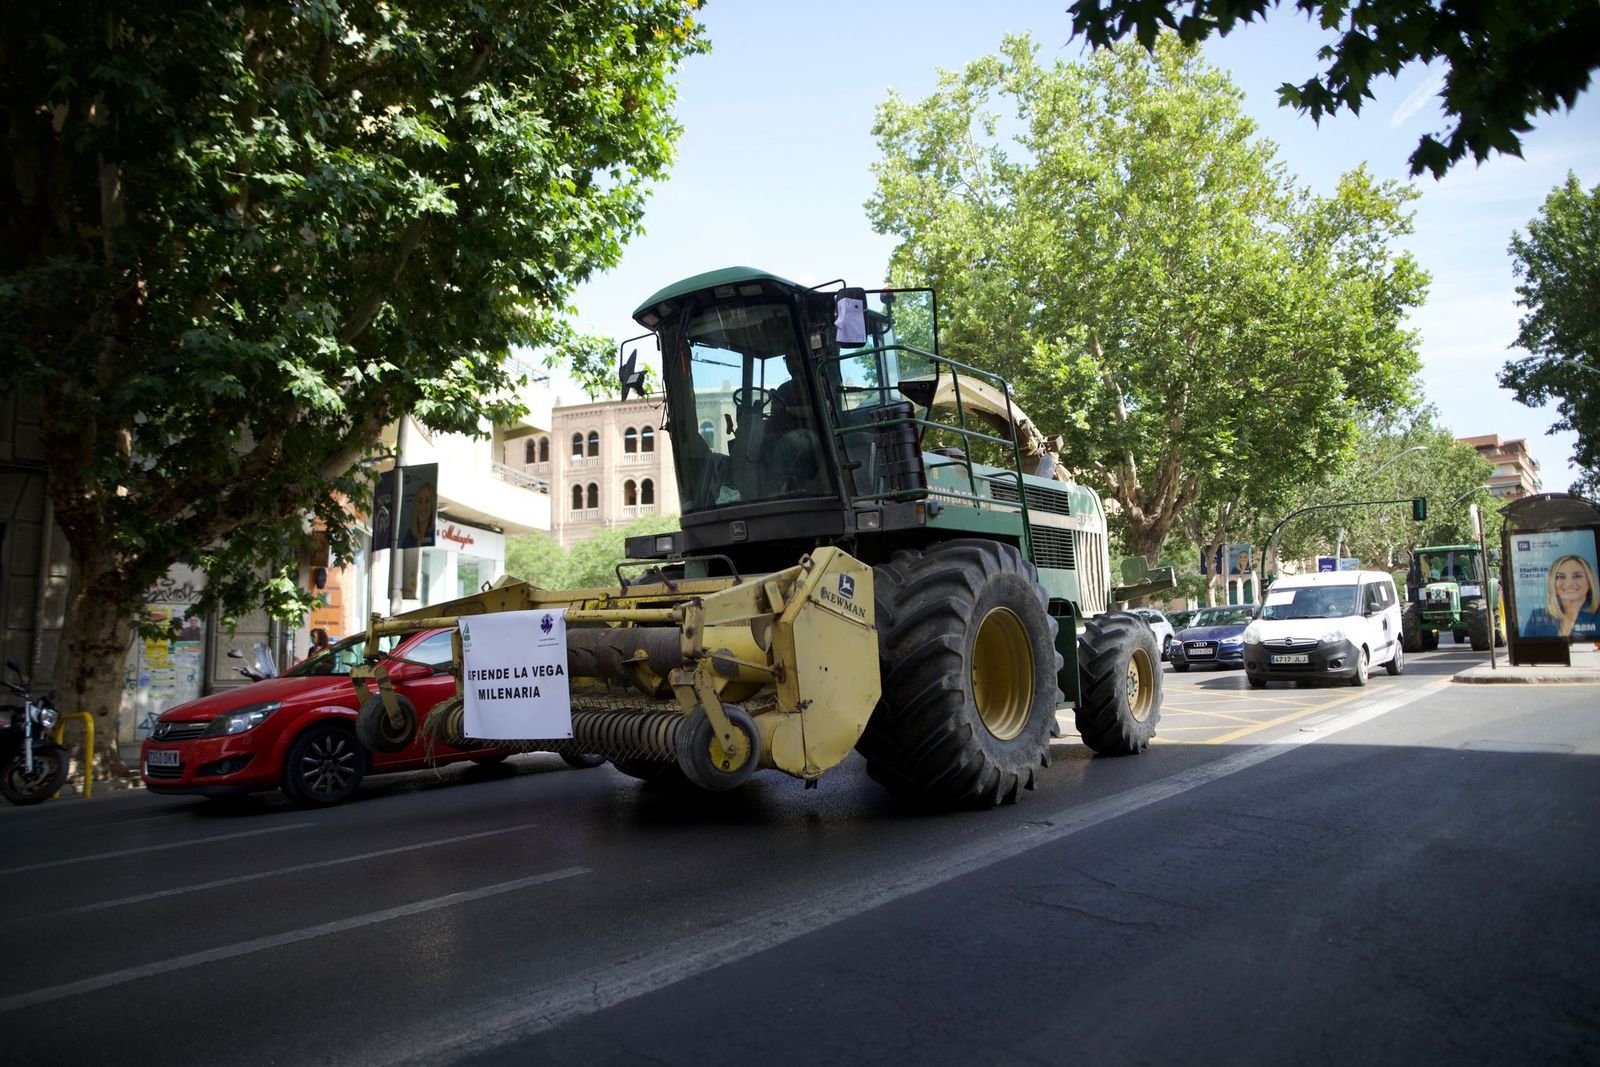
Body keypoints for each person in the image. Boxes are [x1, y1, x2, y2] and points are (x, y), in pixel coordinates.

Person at [1522, 554, 1600, 639]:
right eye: (1561, 577)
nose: (1569, 584)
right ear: (1553, 583)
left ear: (1589, 582)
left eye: (1577, 576)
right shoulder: (1537, 617)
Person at [400, 481, 436, 548]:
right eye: (420, 501)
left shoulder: (435, 534)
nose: (423, 506)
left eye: (427, 501)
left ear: (432, 505)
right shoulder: (409, 536)